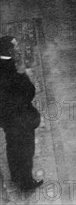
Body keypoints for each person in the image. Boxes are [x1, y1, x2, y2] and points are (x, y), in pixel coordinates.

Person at [0, 36, 43, 191]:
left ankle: (15, 176)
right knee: (25, 150)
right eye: (16, 46)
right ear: (10, 50)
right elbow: (29, 92)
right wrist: (25, 75)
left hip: (6, 118)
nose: (18, 48)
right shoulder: (15, 70)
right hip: (21, 118)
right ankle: (26, 183)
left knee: (12, 147)